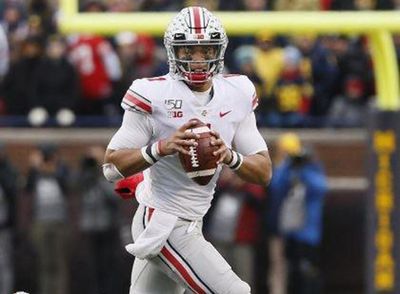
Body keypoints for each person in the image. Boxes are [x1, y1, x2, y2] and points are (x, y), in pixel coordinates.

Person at [103, 6, 272, 294]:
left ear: (218, 51)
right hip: (163, 222)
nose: (196, 60)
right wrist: (161, 148)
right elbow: (111, 168)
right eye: (187, 51)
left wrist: (229, 156)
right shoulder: (153, 95)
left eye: (205, 51)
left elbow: (263, 171)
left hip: (192, 219)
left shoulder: (238, 92)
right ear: (173, 52)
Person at [268, 134, 327, 294]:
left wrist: (304, 169)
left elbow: (320, 188)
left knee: (308, 273)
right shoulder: (288, 171)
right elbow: (276, 187)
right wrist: (288, 165)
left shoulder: (312, 171)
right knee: (293, 274)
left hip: (309, 234)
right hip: (291, 232)